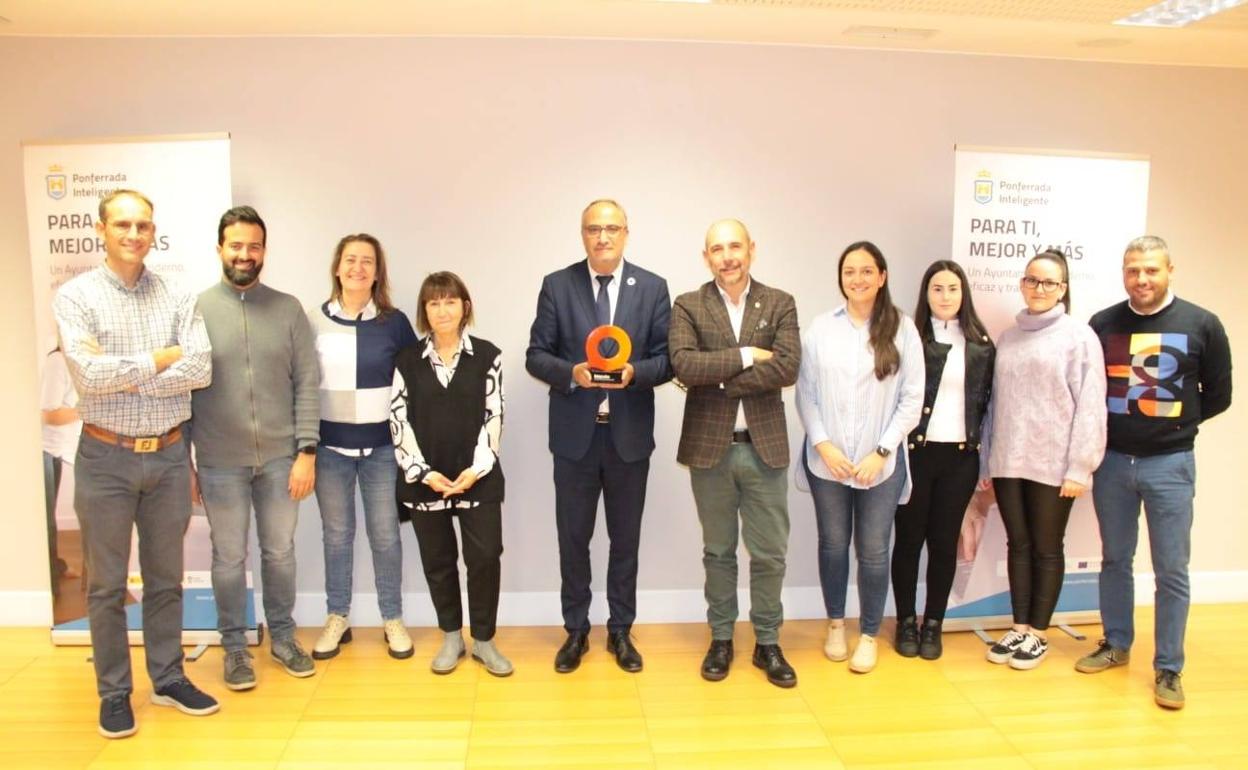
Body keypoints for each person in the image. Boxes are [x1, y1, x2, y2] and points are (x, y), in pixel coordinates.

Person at [52, 189, 217, 738]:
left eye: (143, 225)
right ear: (101, 229)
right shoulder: (75, 297)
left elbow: (199, 368)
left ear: (154, 231)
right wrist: (158, 358)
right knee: (103, 585)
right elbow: (87, 377)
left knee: (166, 578)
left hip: (169, 456)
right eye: (122, 224)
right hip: (105, 458)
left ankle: (168, 678)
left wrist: (126, 370)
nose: (133, 234)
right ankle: (114, 692)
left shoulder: (176, 293)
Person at [1076, 236, 1231, 710]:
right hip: (1113, 463)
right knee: (1115, 560)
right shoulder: (1101, 324)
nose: (1141, 279)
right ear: (1124, 273)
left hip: (1171, 464)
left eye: (1151, 270)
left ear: (1169, 270)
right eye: (1133, 270)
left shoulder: (1202, 323)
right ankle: (1116, 643)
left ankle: (1169, 667)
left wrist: (1172, 426)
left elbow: (1219, 394)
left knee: (1171, 569)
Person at [525, 199, 672, 674]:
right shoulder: (557, 285)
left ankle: (621, 631)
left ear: (626, 232)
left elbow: (668, 357)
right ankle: (576, 631)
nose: (603, 237)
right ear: (582, 234)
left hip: (628, 438)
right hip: (575, 440)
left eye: (611, 228)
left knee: (625, 539)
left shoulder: (651, 287)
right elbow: (535, 354)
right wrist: (573, 372)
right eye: (594, 229)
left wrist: (634, 372)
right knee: (574, 539)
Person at [192, 206, 320, 691]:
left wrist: (306, 449)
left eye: (254, 246)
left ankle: (284, 637)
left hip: (280, 460)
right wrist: (186, 461)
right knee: (227, 557)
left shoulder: (286, 309)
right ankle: (234, 648)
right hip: (219, 460)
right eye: (236, 245)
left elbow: (307, 381)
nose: (245, 254)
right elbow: (181, 390)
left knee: (280, 551)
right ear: (220, 248)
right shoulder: (197, 309)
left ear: (264, 250)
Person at [670, 218, 800, 688]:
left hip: (764, 450)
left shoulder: (780, 302)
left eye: (735, 246)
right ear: (707, 257)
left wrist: (715, 378)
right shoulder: (688, 304)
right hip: (711, 451)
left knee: (770, 554)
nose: (727, 256)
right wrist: (748, 355)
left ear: (751, 249)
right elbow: (683, 364)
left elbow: (787, 367)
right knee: (718, 551)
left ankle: (768, 642)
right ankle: (721, 638)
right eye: (717, 249)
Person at [796, 241, 923, 674]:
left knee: (872, 551)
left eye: (867, 271)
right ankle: (836, 623)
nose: (858, 279)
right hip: (827, 462)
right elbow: (805, 393)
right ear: (841, 278)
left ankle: (868, 633)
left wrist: (881, 451)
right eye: (849, 271)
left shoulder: (903, 329)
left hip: (880, 464)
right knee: (833, 545)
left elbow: (912, 399)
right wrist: (823, 444)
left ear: (882, 276)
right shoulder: (820, 328)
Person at [986, 249, 1106, 670]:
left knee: (1046, 547)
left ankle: (1038, 633)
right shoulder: (1009, 337)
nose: (1039, 288)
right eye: (1032, 280)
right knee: (1017, 544)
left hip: (1054, 465)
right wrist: (988, 459)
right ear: (1022, 284)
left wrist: (1080, 466)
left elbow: (1091, 406)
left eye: (1049, 282)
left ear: (1063, 289)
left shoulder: (1079, 337)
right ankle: (1019, 626)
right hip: (1008, 460)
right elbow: (995, 403)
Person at [391, 272, 511, 676]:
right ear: (425, 312)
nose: (442, 310)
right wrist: (423, 472)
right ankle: (450, 636)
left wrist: (475, 470)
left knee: (484, 557)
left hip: (478, 478)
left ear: (465, 307)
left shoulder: (488, 355)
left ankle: (484, 640)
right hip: (426, 482)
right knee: (438, 561)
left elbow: (495, 415)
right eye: (433, 303)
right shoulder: (406, 360)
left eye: (450, 301)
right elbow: (397, 420)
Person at [308, 234, 417, 661]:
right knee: (337, 536)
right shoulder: (311, 321)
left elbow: (413, 385)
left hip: (382, 450)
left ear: (377, 271)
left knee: (386, 536)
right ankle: (338, 616)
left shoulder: (395, 323)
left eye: (367, 261)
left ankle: (392, 617)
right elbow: (301, 385)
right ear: (337, 267)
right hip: (330, 450)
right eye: (350, 260)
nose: (358, 268)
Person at [890, 259, 994, 661]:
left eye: (953, 288)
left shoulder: (983, 346)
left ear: (963, 293)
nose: (945, 296)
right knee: (909, 541)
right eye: (937, 288)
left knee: (944, 544)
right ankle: (904, 621)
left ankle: (933, 624)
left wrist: (985, 464)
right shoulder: (908, 339)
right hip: (915, 456)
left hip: (961, 459)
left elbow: (989, 409)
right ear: (926, 294)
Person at [41, 346, 82, 594]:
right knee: (46, 519)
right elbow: (50, 414)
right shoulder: (57, 361)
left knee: (50, 516)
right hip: (45, 449)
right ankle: (50, 586)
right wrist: (89, 407)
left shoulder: (78, 360)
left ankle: (55, 567)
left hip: (57, 451)